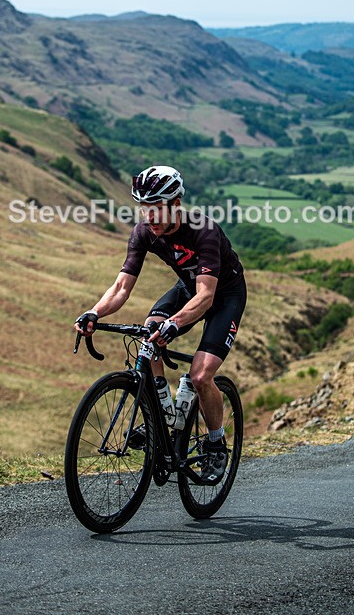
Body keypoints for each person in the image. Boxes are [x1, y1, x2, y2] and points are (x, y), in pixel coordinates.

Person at [74, 165, 247, 484]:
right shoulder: (143, 233)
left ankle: (216, 443)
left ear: (175, 206)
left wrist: (174, 323)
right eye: (144, 208)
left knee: (200, 375)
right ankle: (163, 415)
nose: (149, 216)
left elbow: (207, 296)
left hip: (224, 294)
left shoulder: (202, 230)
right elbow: (122, 288)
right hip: (187, 288)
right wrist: (94, 312)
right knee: (148, 333)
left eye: (156, 209)